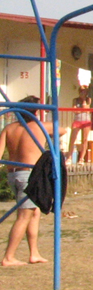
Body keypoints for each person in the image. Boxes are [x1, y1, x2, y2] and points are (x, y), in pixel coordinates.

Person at [2, 96, 49, 267]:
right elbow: (63, 130)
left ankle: (34, 253)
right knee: (24, 216)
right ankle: (9, 257)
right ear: (35, 112)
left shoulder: (9, 128)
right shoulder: (38, 126)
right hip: (28, 175)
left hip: (13, 174)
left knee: (34, 212)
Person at [66, 87, 92, 164]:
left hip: (86, 120)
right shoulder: (75, 100)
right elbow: (75, 110)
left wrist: (83, 101)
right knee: (72, 139)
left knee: (84, 139)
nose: (82, 93)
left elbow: (86, 108)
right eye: (81, 91)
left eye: (84, 92)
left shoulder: (88, 100)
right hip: (77, 121)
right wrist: (82, 110)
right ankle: (69, 157)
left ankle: (81, 158)